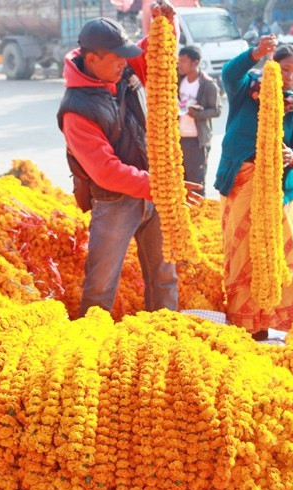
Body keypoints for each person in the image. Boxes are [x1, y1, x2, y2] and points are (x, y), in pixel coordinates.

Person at [56, 4, 202, 317]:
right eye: (117, 58)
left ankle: (164, 337)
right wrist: (161, 186)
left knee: (165, 277)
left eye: (126, 55)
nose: (126, 63)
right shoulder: (76, 110)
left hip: (153, 194)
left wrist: (166, 22)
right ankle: (89, 345)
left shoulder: (122, 71)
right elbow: (106, 171)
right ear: (92, 59)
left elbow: (156, 54)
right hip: (116, 202)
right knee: (101, 285)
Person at [215, 36, 293, 340]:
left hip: (277, 191)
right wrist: (255, 53)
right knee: (243, 254)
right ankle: (249, 325)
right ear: (272, 67)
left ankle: (282, 321)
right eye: (285, 70)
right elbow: (228, 74)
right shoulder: (247, 90)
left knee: (282, 257)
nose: (290, 77)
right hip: (241, 182)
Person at [177, 45, 221, 196]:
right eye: (179, 61)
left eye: (183, 61)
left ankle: (199, 216)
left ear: (195, 63)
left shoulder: (207, 84)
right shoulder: (179, 79)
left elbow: (216, 110)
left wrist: (196, 114)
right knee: (180, 181)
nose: (179, 64)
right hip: (178, 138)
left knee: (196, 183)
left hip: (196, 141)